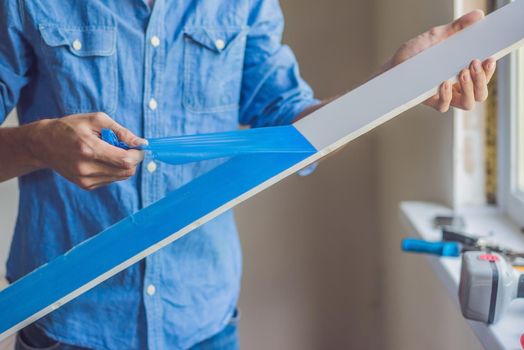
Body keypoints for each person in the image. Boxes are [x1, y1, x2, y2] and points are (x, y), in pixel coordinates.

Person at [0, 1, 494, 349]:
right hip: (66, 325)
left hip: (205, 323)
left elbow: (296, 133)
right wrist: (37, 142)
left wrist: (394, 82)